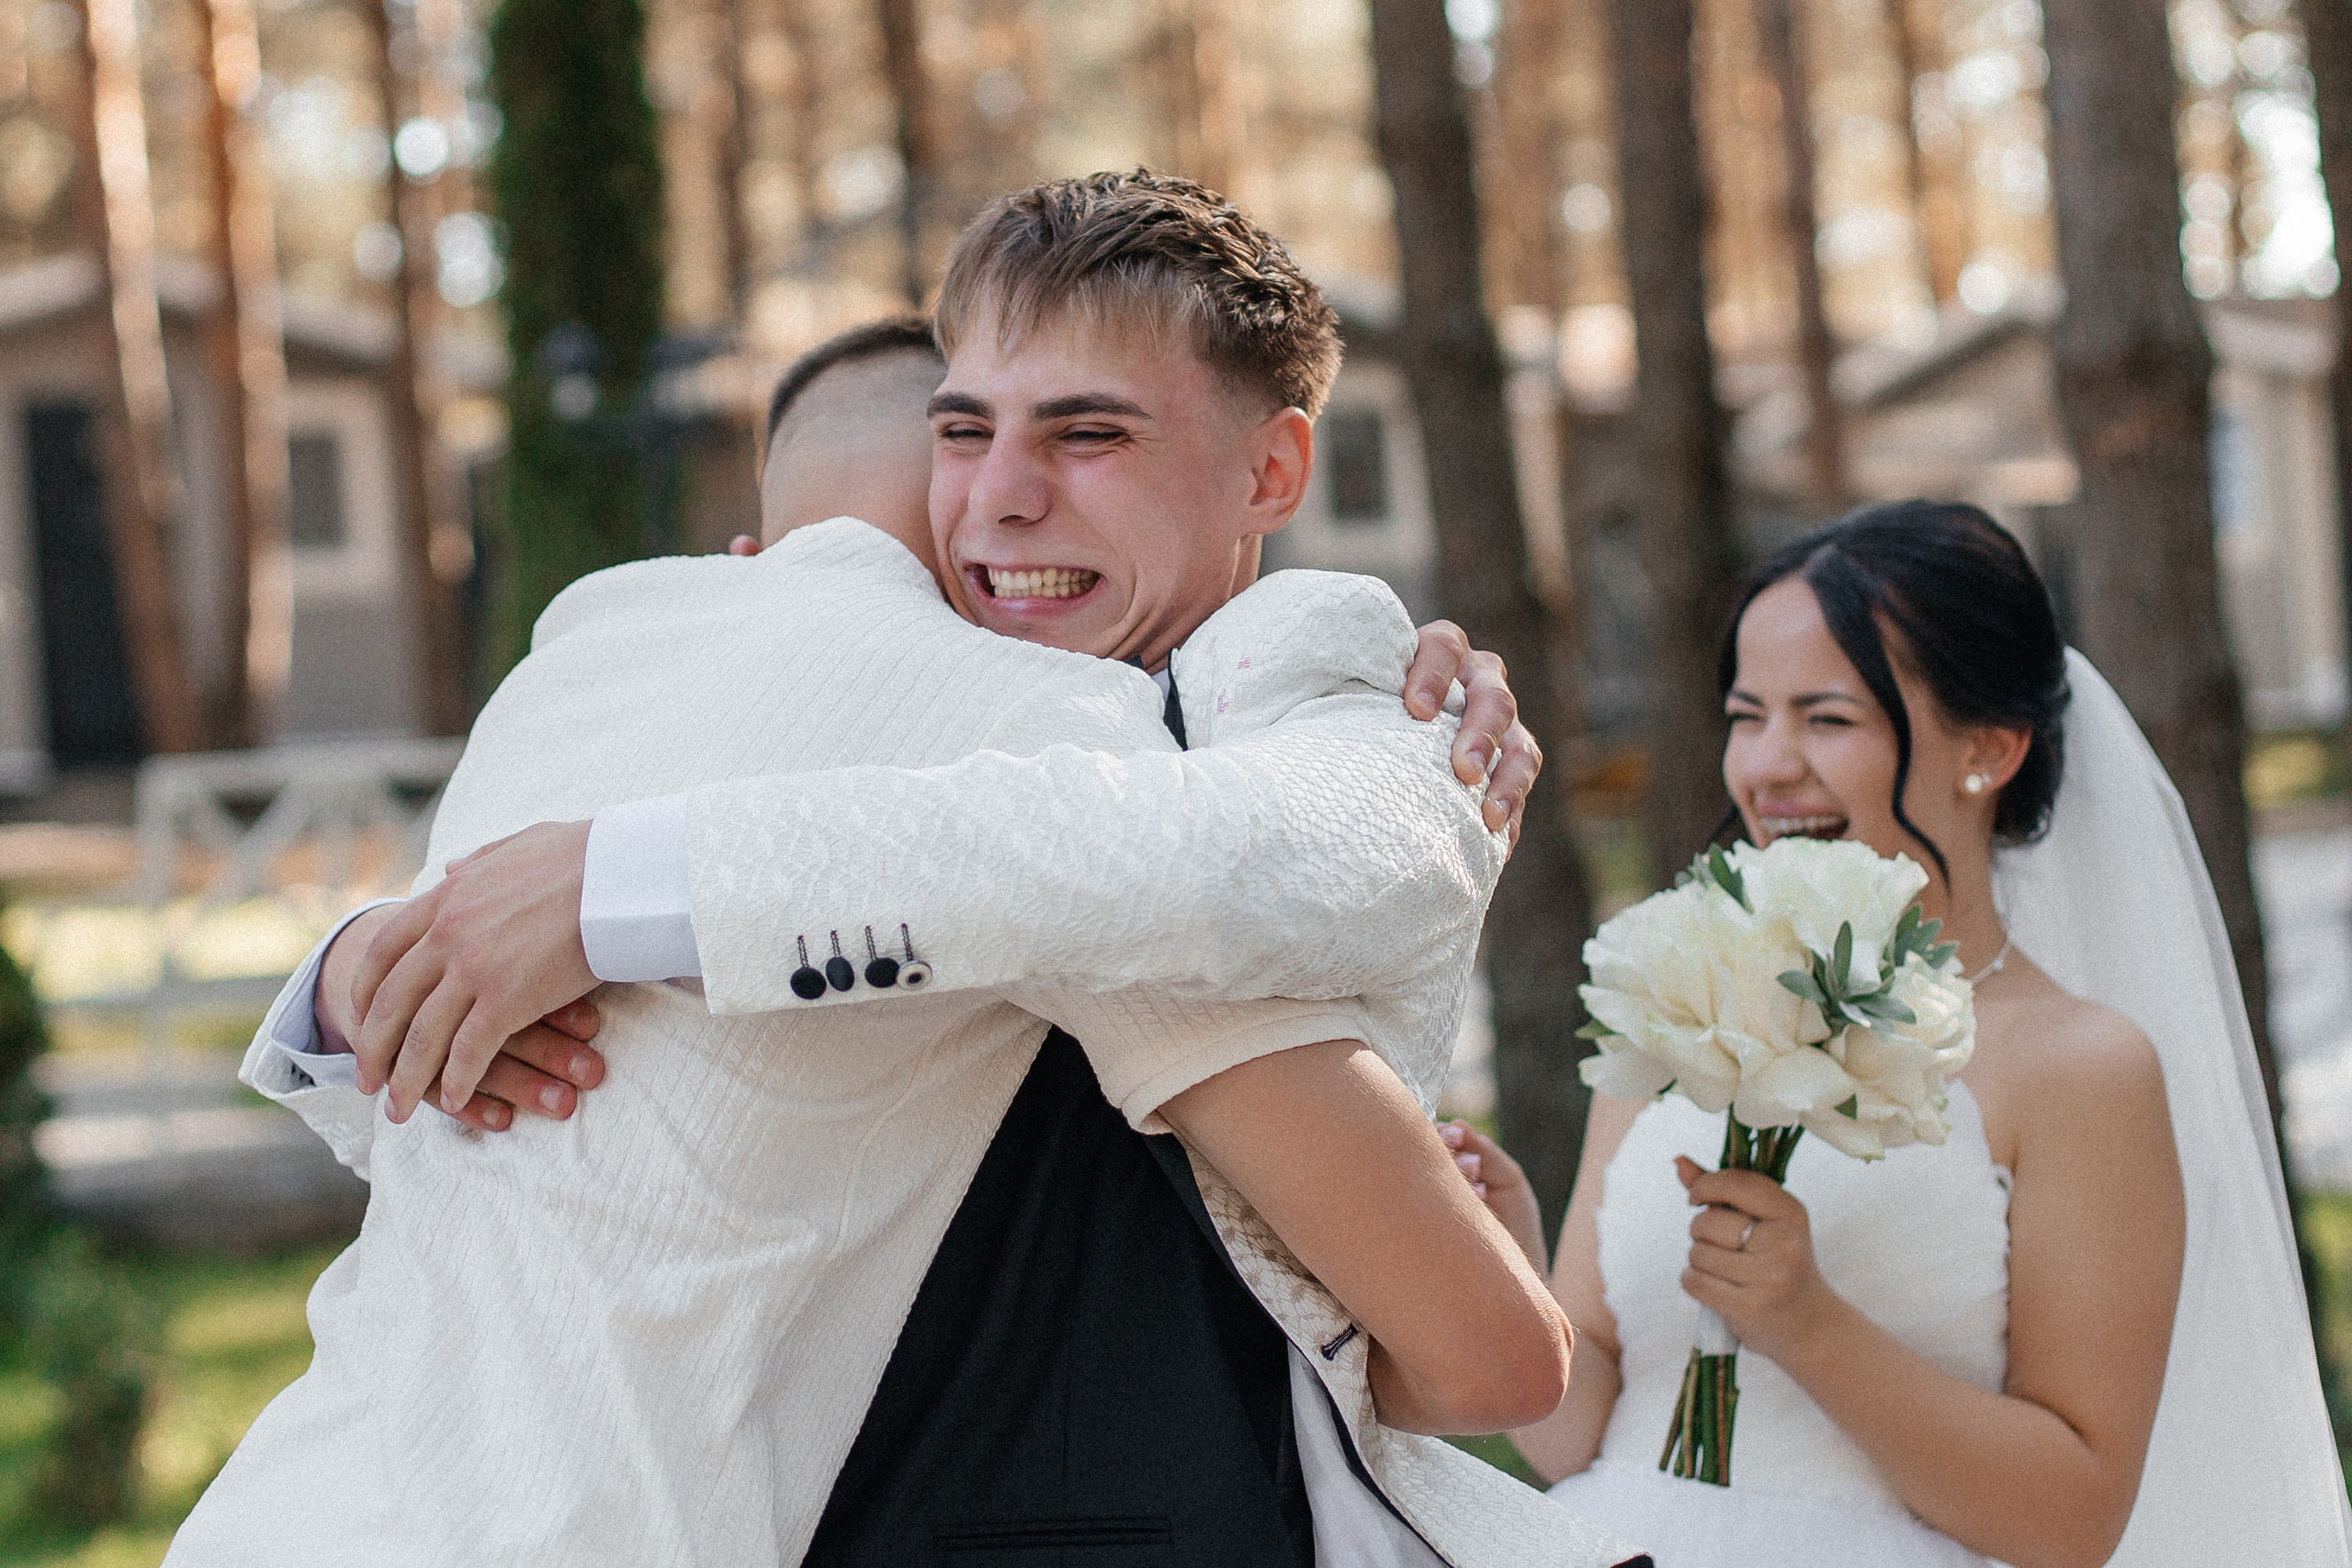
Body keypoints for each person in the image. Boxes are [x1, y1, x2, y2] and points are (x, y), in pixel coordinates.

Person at [171, 175, 1639, 1568]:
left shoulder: (601, 650)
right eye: (963, 430)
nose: (995, 501)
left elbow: (1269, 850)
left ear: (1272, 468)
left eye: (1086, 433)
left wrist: (579, 895)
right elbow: (1492, 1352)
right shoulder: (1019, 727)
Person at [1469, 501, 2351, 1566]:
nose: (1767, 766)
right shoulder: (1679, 995)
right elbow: (1576, 1435)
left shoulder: (2078, 1067)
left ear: (1989, 749)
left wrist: (1808, 1324)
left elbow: (2072, 1518)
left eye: (1827, 720)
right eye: (1748, 717)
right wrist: (1504, 1261)